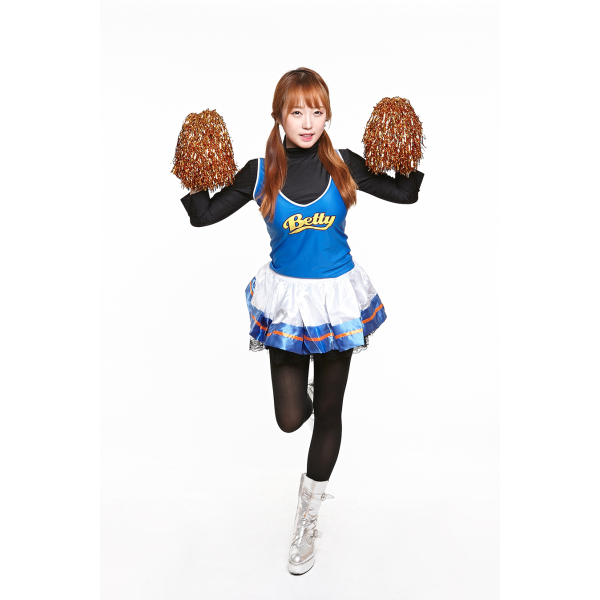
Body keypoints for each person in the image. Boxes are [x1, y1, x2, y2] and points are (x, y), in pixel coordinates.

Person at [180, 67, 425, 575]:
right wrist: (197, 163)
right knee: (291, 418)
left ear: (327, 115)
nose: (308, 122)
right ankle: (312, 397)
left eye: (317, 111)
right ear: (279, 116)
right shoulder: (259, 172)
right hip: (288, 305)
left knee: (329, 415)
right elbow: (203, 216)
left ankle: (308, 517)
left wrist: (402, 144)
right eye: (297, 111)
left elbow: (405, 195)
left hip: (336, 302)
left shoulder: (344, 165)